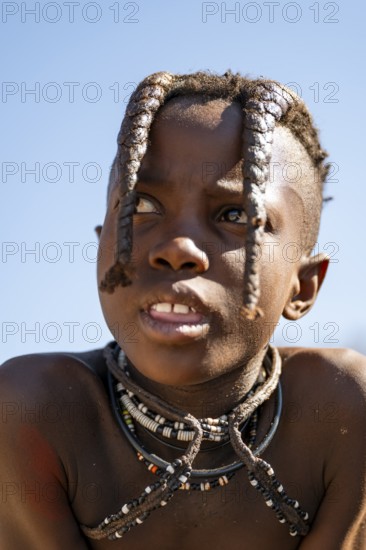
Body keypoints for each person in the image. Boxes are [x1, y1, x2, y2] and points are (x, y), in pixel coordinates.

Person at [1, 70, 366, 549]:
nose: (178, 248)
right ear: (103, 246)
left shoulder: (342, 412)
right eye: (143, 207)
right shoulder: (35, 409)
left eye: (236, 215)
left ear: (303, 287)